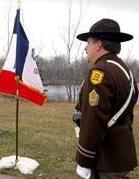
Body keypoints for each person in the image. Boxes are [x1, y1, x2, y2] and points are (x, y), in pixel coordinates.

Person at [74, 18, 139, 179]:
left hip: (106, 158)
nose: (85, 48)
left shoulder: (100, 73)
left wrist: (84, 160)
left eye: (88, 42)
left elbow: (93, 121)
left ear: (98, 44)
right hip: (121, 155)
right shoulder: (124, 70)